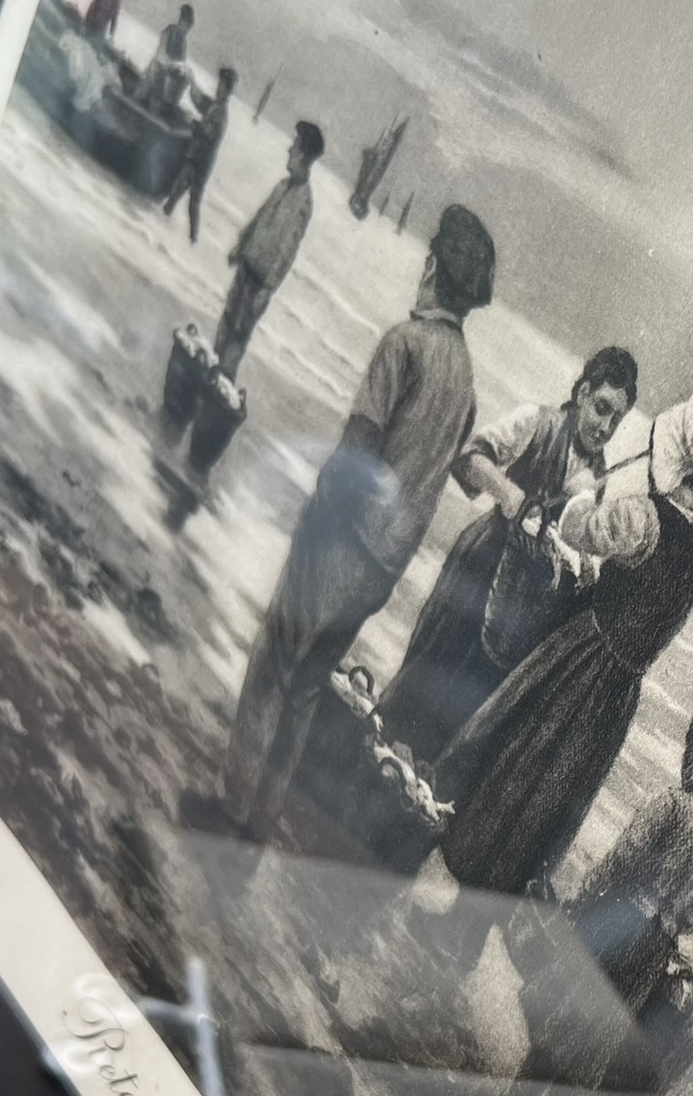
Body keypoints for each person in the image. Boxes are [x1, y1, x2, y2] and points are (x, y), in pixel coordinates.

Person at [210, 205, 496, 840]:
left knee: (273, 663)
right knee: (309, 684)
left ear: (431, 268)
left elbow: (359, 447)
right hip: (386, 564)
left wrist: (318, 515)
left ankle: (233, 799)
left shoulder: (404, 343)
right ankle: (264, 814)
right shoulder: (466, 378)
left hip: (342, 537)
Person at [431, 391, 693, 899]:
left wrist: (583, 491)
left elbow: (580, 530)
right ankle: (487, 902)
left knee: (517, 762)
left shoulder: (645, 518)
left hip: (581, 661)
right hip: (620, 691)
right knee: (552, 794)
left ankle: (460, 869)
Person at [374, 346, 641, 764]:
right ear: (583, 393)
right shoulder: (538, 422)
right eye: (601, 408)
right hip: (481, 565)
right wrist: (511, 495)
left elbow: (573, 538)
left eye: (616, 419)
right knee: (430, 671)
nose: (605, 427)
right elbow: (469, 458)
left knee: (468, 703)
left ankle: (415, 775)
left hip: (518, 603)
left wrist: (586, 563)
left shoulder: (597, 475)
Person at [516, 702, 693, 1093]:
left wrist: (584, 898)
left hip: (619, 919)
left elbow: (621, 860)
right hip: (653, 950)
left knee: (566, 1007)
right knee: (596, 1034)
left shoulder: (670, 805)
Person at [212, 122, 325, 379]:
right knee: (227, 319)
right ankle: (212, 366)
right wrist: (240, 246)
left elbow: (288, 252)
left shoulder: (304, 201)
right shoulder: (282, 185)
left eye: (294, 146)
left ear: (303, 155)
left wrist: (269, 287)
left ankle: (223, 377)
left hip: (261, 280)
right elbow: (259, 218)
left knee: (239, 332)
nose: (289, 150)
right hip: (247, 265)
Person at [163, 66, 237, 243]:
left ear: (227, 90)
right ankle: (166, 222)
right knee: (178, 191)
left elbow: (207, 133)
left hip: (203, 162)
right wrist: (192, 81)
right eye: (219, 83)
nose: (218, 87)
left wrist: (193, 123)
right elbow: (198, 100)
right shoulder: (215, 106)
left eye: (222, 85)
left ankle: (192, 239)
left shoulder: (221, 113)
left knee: (193, 201)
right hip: (197, 157)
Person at [145, 3, 195, 110]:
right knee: (162, 79)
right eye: (186, 27)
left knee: (182, 81)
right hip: (157, 70)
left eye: (188, 29)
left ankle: (168, 107)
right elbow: (161, 54)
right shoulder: (169, 31)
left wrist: (181, 69)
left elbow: (181, 61)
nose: (186, 32)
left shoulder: (183, 42)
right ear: (181, 21)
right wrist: (171, 65)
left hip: (168, 74)